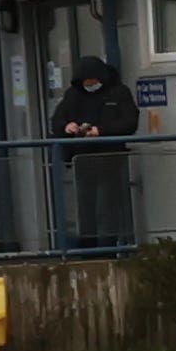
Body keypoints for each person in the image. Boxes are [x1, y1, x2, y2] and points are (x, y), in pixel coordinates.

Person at [47, 55, 138, 247]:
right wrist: (67, 126)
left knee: (106, 208)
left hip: (110, 159)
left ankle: (106, 248)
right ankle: (87, 247)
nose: (90, 85)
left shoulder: (118, 93)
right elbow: (57, 119)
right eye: (86, 82)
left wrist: (101, 131)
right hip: (82, 160)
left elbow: (129, 122)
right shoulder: (74, 95)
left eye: (93, 81)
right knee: (85, 208)